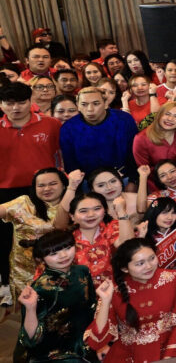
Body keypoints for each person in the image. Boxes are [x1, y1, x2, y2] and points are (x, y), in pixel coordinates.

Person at [0, 82, 61, 302]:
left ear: (30, 101)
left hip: (43, 190)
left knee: (48, 235)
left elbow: (60, 153)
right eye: (9, 103)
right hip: (6, 191)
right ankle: (6, 283)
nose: (15, 108)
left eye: (21, 102)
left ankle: (54, 280)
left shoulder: (51, 124)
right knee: (5, 239)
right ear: (1, 104)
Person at [86, 238, 176, 362]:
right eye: (140, 263)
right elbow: (97, 342)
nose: (149, 266)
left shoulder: (174, 278)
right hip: (128, 355)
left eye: (152, 258)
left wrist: (169, 358)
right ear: (125, 268)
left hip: (169, 350)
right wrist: (105, 301)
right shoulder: (113, 289)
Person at [15, 229, 98, 362]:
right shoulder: (40, 289)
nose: (63, 255)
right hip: (52, 352)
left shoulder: (82, 271)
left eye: (68, 248)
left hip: (84, 343)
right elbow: (31, 338)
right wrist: (30, 308)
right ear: (40, 259)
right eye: (54, 253)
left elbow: (91, 307)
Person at [59, 87, 138, 181]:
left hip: (123, 177)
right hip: (85, 181)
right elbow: (70, 163)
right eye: (84, 104)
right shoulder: (68, 128)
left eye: (96, 103)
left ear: (106, 104)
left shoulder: (124, 120)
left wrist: (133, 181)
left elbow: (134, 154)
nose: (90, 109)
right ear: (78, 105)